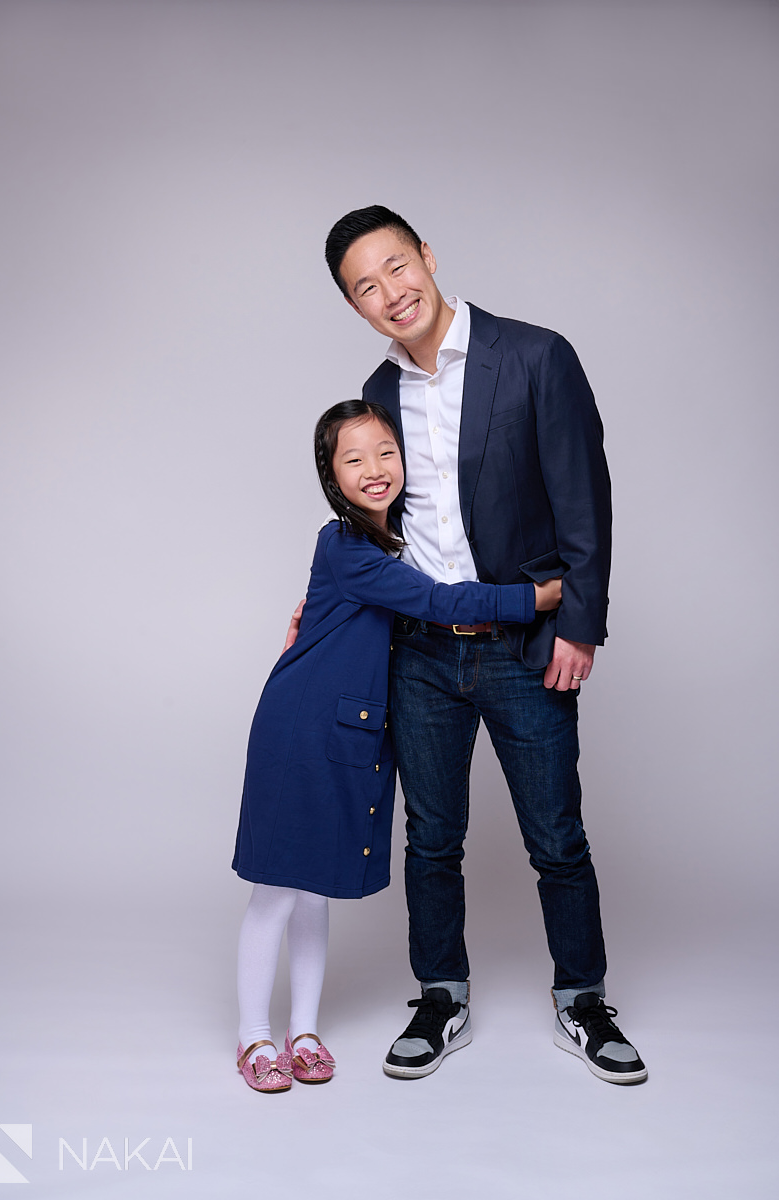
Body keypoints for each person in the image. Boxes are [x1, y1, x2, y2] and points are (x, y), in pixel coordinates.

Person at [313, 205, 648, 1085]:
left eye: (396, 267)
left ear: (427, 255)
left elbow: (586, 499)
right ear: (356, 306)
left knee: (556, 837)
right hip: (420, 653)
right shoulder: (379, 393)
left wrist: (579, 621)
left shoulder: (536, 356)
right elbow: (372, 517)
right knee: (432, 838)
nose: (390, 293)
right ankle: (441, 993)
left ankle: (583, 998)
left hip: (525, 643)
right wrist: (316, 608)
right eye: (366, 288)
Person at [232, 400, 561, 1093]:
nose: (374, 470)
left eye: (386, 451)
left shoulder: (396, 540)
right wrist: (535, 601)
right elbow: (441, 605)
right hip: (301, 732)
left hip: (350, 734)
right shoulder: (346, 546)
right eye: (353, 459)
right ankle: (254, 1038)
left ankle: (305, 1032)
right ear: (331, 476)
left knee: (315, 892)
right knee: (278, 892)